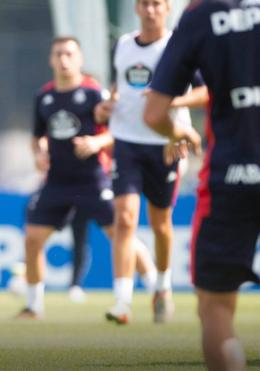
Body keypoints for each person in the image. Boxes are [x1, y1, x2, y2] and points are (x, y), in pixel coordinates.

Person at [144, 0, 260, 369]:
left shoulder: (199, 16)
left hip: (231, 179)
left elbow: (155, 113)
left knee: (215, 307)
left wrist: (177, 132)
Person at [16, 36, 157, 319]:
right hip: (57, 180)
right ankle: (34, 306)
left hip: (93, 179)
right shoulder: (43, 97)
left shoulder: (95, 94)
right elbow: (37, 138)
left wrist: (97, 143)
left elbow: (120, 132)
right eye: (59, 54)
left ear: (79, 59)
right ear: (51, 59)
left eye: (70, 54)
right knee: (32, 239)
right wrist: (39, 153)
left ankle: (155, 287)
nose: (64, 59)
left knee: (120, 234)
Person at [96, 0, 208, 324]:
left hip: (165, 145)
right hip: (127, 143)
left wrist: (172, 102)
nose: (150, 10)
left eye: (157, 4)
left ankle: (162, 285)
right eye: (145, 4)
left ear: (167, 9)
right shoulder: (122, 45)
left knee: (160, 224)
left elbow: (204, 93)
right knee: (125, 219)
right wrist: (108, 105)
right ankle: (122, 301)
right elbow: (118, 86)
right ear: (136, 8)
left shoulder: (179, 46)